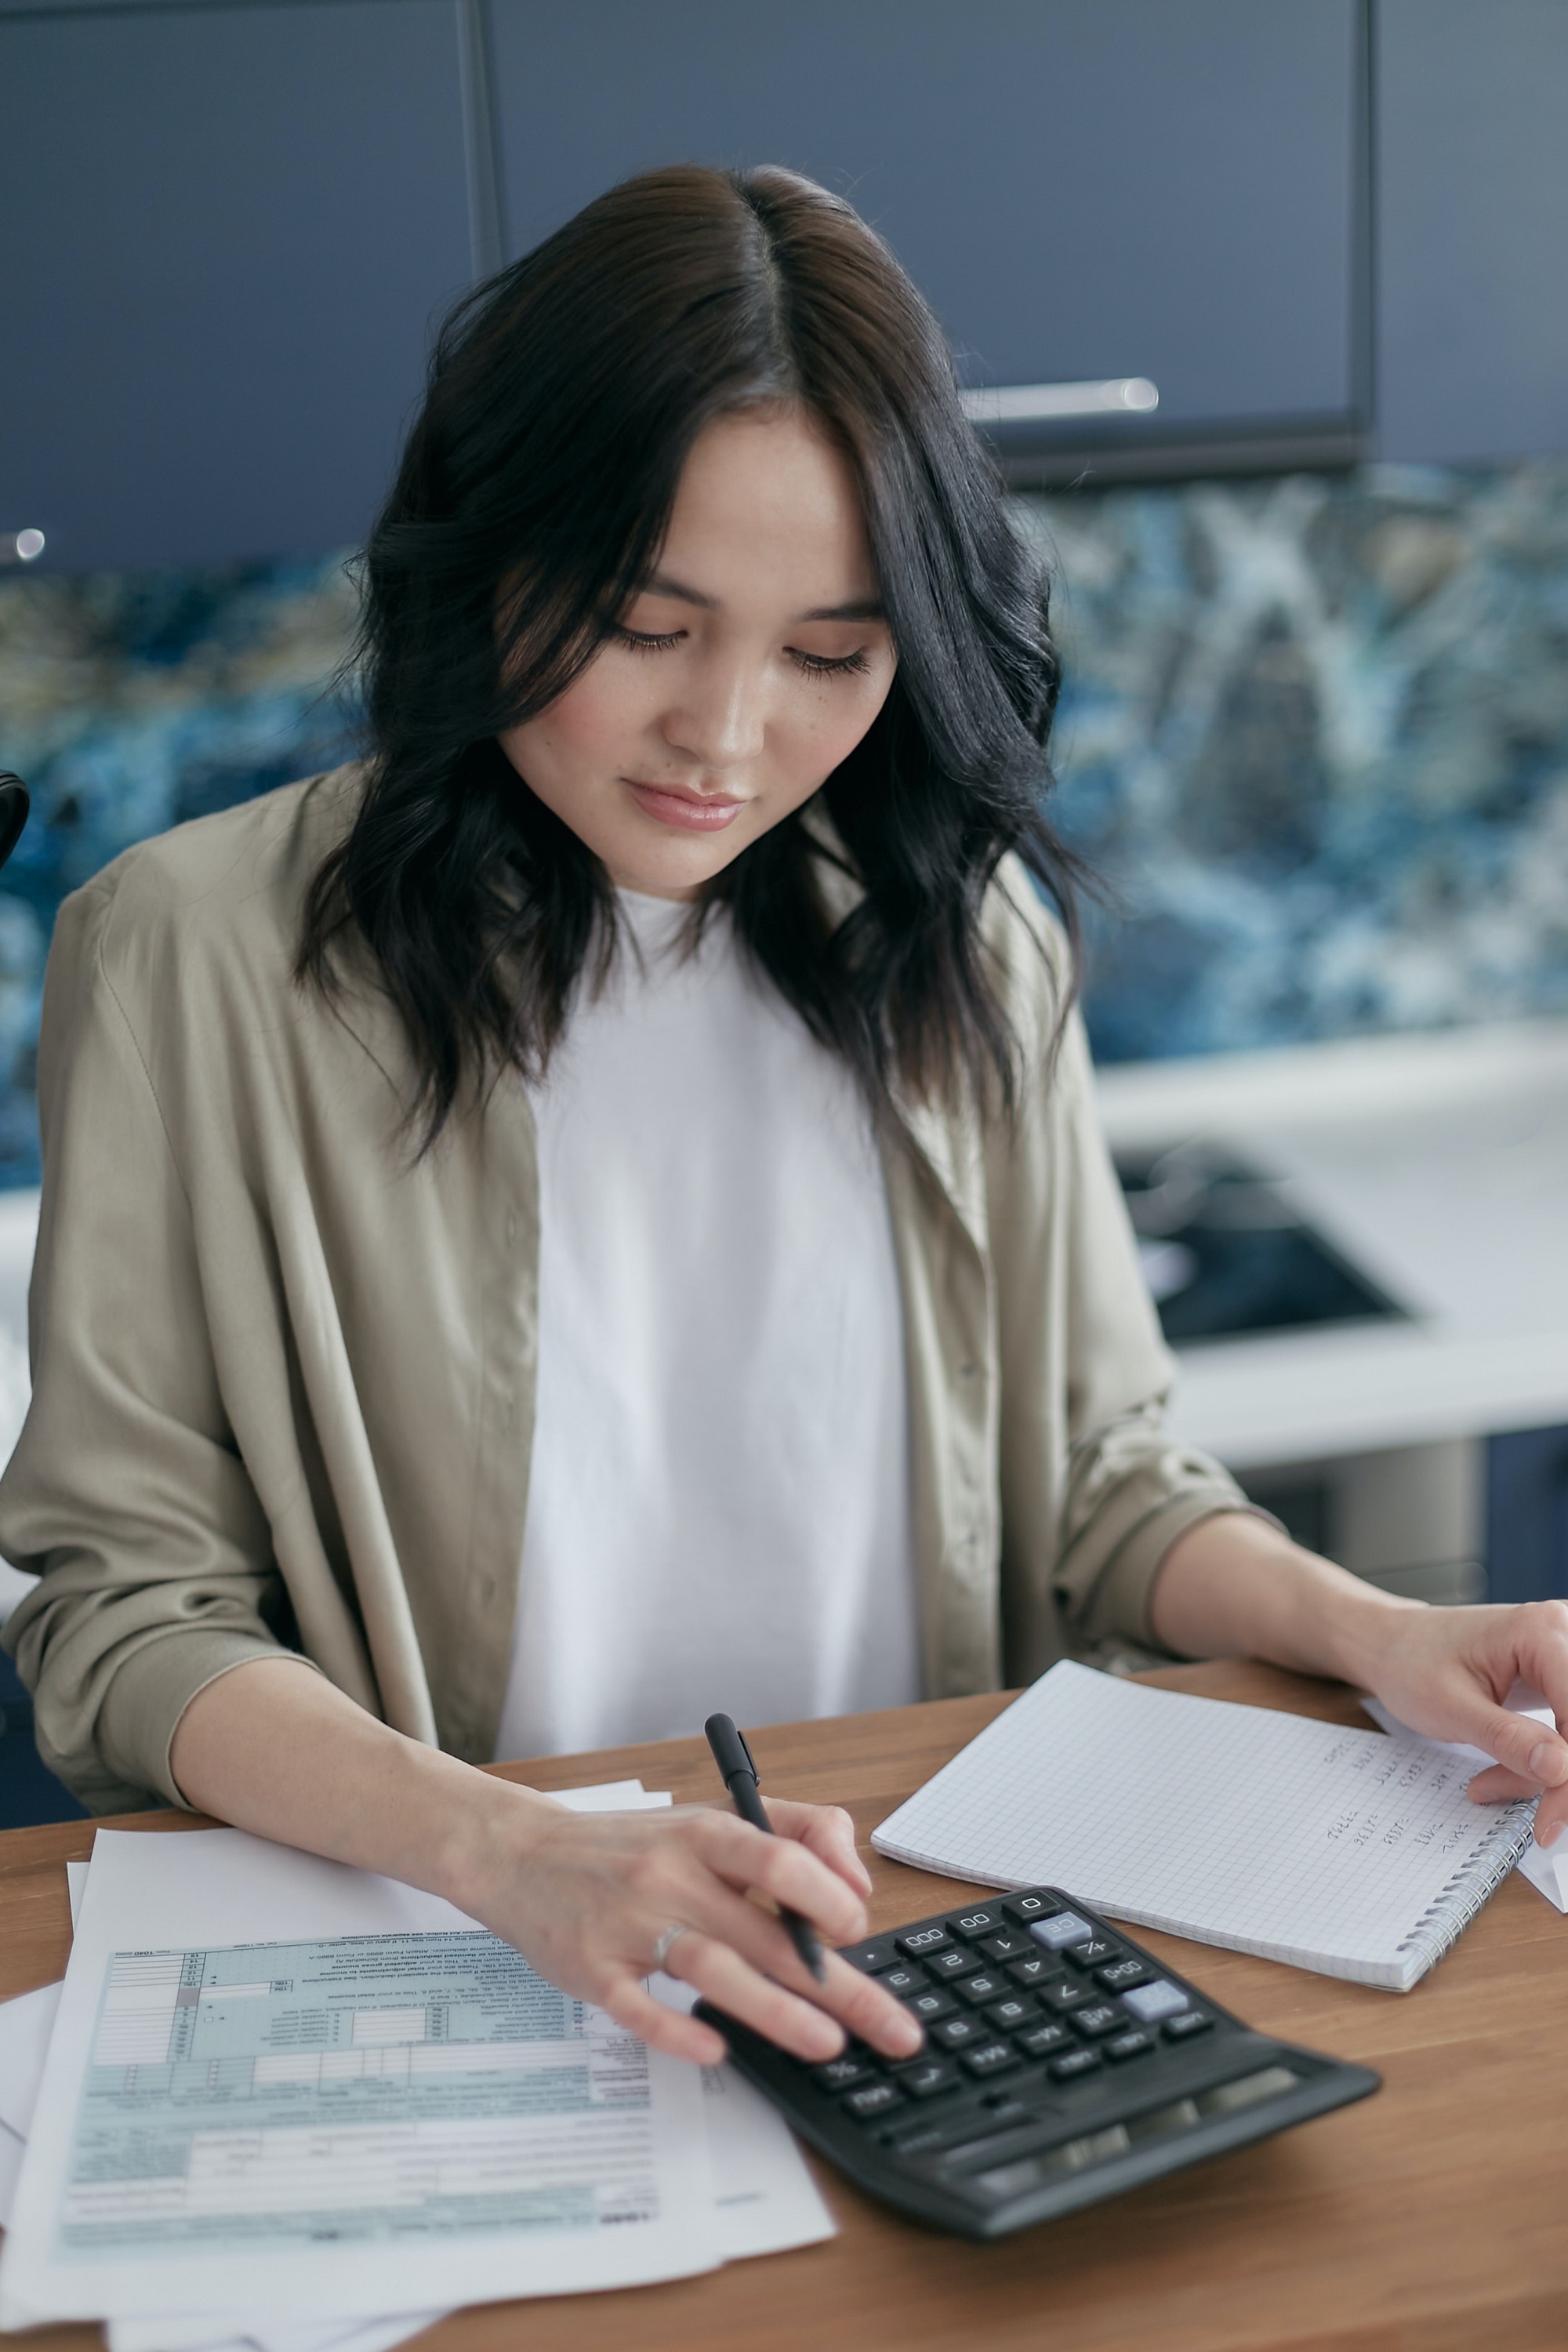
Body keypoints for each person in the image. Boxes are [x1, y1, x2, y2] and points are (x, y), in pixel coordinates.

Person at [2, 167, 1566, 2078]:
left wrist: (1378, 1634)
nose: (726, 737)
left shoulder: (965, 938)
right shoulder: (192, 955)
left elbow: (1098, 1487)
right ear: (492, 556)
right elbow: (121, 1621)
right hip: (474, 1954)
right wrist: (518, 1852)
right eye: (647, 628)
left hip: (900, 1944)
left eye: (828, 653)